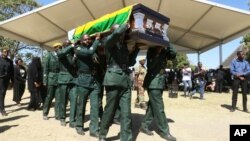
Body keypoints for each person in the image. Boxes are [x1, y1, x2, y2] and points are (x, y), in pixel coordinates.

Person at [99, 23, 140, 141]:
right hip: (113, 79)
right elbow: (116, 34)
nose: (122, 35)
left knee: (126, 112)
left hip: (125, 80)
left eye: (123, 33)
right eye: (120, 33)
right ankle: (102, 134)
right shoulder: (108, 42)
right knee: (110, 110)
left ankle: (126, 137)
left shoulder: (123, 47)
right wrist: (126, 25)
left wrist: (136, 49)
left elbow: (130, 63)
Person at [139, 44, 176, 141]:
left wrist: (167, 43)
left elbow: (173, 54)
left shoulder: (165, 50)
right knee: (159, 107)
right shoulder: (151, 50)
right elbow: (150, 66)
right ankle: (165, 131)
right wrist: (157, 53)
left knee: (152, 106)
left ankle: (144, 126)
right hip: (153, 82)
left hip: (159, 82)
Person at [56, 40, 75, 126]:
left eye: (70, 44)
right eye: (67, 45)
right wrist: (71, 46)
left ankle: (72, 120)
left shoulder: (73, 53)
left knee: (74, 100)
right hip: (63, 79)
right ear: (64, 46)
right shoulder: (60, 52)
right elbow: (61, 54)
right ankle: (62, 118)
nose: (69, 46)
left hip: (73, 80)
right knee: (63, 100)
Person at [43, 43, 61, 120]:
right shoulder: (49, 55)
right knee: (49, 97)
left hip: (59, 78)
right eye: (58, 47)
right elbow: (45, 69)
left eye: (61, 47)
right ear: (54, 48)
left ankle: (57, 114)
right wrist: (45, 80)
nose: (59, 49)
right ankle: (45, 113)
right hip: (51, 78)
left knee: (58, 98)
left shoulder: (61, 56)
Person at [0, 48, 14, 116]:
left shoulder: (10, 61)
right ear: (2, 52)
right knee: (2, 94)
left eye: (7, 52)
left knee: (3, 94)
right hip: (0, 79)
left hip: (6, 80)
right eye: (5, 52)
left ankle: (2, 108)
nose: (6, 53)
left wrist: (12, 81)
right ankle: (2, 109)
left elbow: (12, 72)